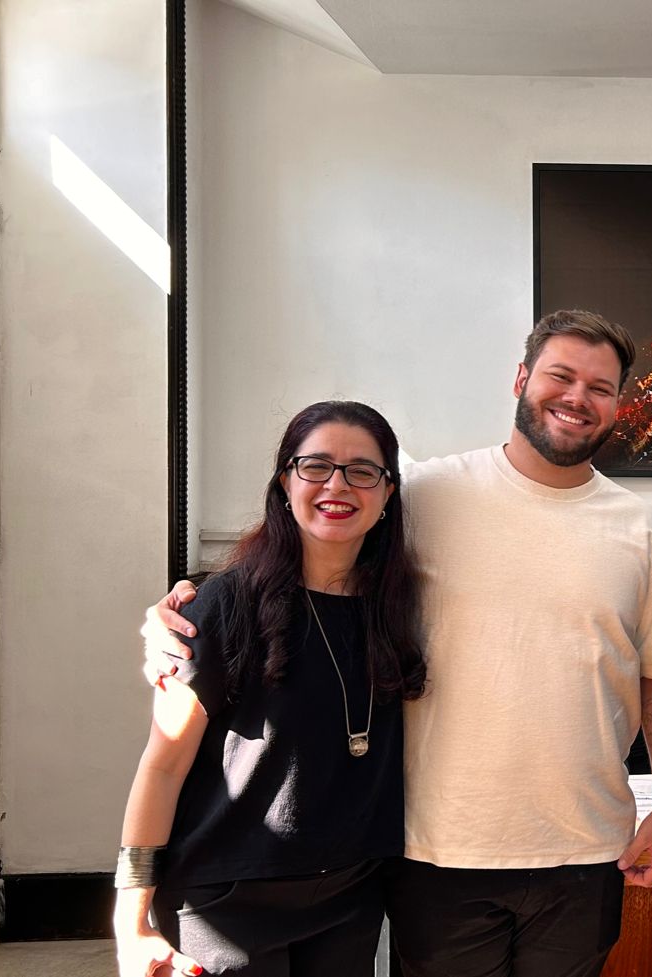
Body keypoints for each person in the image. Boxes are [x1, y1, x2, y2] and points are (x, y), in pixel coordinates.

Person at [143, 311, 652, 977]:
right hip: (436, 846)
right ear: (522, 378)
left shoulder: (640, 530)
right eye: (560, 375)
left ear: (617, 404)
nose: (577, 397)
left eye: (600, 387)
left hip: (584, 849)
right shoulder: (429, 493)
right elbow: (316, 545)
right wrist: (194, 601)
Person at [114, 400, 427, 977]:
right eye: (315, 466)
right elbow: (163, 766)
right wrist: (131, 923)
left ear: (388, 494)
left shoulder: (402, 609)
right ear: (285, 481)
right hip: (224, 898)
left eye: (363, 471)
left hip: (350, 898)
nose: (338, 484)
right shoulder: (225, 604)